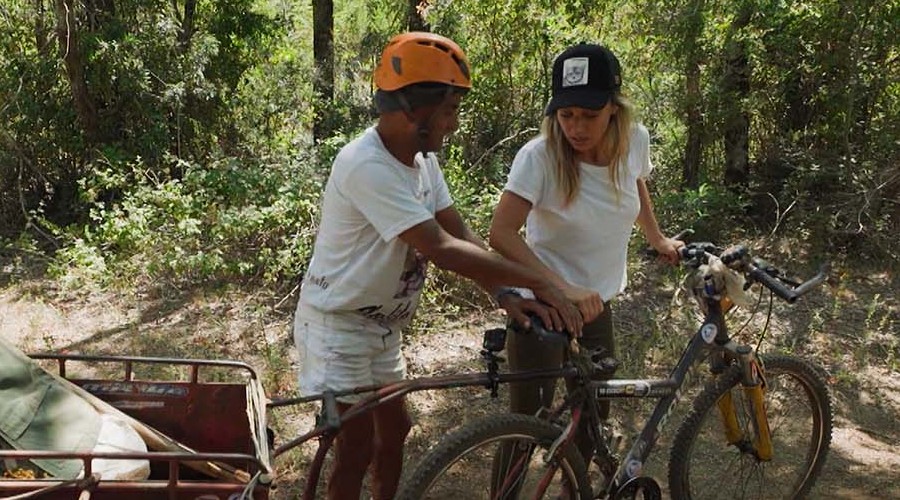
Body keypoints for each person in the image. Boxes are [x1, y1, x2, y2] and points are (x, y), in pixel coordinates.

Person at [292, 32, 583, 500]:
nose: (453, 123)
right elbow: (439, 248)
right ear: (414, 108)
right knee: (355, 444)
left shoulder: (422, 160)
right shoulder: (366, 165)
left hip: (383, 326)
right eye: (449, 110)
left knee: (397, 430)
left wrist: (506, 294)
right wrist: (544, 282)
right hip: (338, 324)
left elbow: (459, 234)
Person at [488, 43, 683, 466]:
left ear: (614, 108)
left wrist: (657, 237)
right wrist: (561, 288)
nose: (576, 127)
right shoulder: (539, 157)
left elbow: (637, 186)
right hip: (542, 305)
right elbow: (501, 233)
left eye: (589, 115)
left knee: (593, 415)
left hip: (596, 303)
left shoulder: (635, 142)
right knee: (527, 425)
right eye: (566, 114)